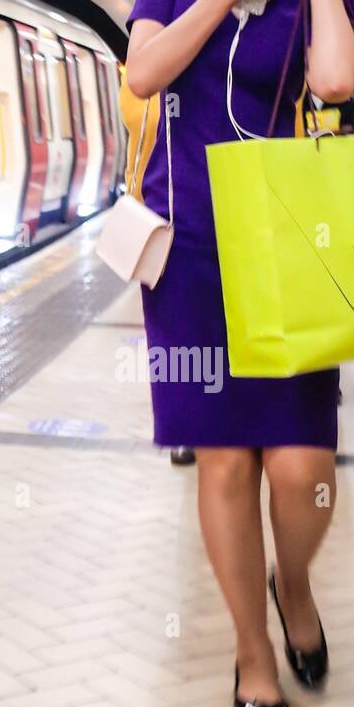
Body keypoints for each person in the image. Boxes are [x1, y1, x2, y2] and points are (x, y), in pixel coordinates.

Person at [125, 0, 354, 707]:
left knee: (302, 470)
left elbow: (336, 82)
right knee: (222, 462)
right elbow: (144, 73)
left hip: (287, 248)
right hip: (188, 253)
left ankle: (291, 583)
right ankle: (252, 652)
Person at [117, 72, 194, 468]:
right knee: (173, 328)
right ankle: (186, 428)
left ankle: (212, 422)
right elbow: (139, 136)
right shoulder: (139, 69)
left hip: (209, 200)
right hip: (154, 216)